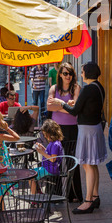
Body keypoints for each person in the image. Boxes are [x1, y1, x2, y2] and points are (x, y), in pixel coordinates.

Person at [56, 62, 107, 214]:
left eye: (83, 71)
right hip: (95, 128)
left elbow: (75, 111)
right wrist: (73, 104)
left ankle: (88, 200)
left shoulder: (87, 89)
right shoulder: (99, 87)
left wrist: (62, 103)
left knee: (87, 165)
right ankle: (95, 196)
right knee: (93, 163)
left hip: (87, 130)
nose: (81, 73)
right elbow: (86, 107)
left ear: (88, 73)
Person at [47, 62, 83, 202]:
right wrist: (66, 107)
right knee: (55, 160)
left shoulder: (76, 88)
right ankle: (55, 194)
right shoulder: (54, 88)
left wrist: (58, 104)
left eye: (70, 73)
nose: (68, 76)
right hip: (56, 129)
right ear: (60, 74)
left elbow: (75, 111)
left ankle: (73, 194)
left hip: (71, 128)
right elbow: (49, 106)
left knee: (72, 161)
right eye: (65, 73)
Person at [30, 119, 64, 195]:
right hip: (48, 168)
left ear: (50, 133)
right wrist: (43, 149)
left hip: (50, 169)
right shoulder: (54, 143)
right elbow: (51, 154)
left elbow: (53, 159)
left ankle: (34, 197)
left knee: (31, 176)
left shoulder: (55, 144)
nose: (44, 136)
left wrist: (41, 152)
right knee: (31, 172)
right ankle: (38, 192)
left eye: (45, 134)